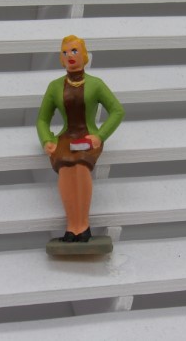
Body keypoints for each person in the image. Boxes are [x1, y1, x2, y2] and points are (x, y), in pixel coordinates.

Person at [37, 35, 124, 243]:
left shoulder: (96, 84)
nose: (70, 55)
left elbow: (117, 111)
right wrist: (47, 140)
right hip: (66, 137)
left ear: (84, 55)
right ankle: (71, 226)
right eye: (65, 52)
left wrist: (100, 135)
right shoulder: (54, 86)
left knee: (80, 168)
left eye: (74, 51)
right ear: (61, 58)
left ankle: (83, 225)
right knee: (66, 170)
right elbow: (42, 119)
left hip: (88, 137)